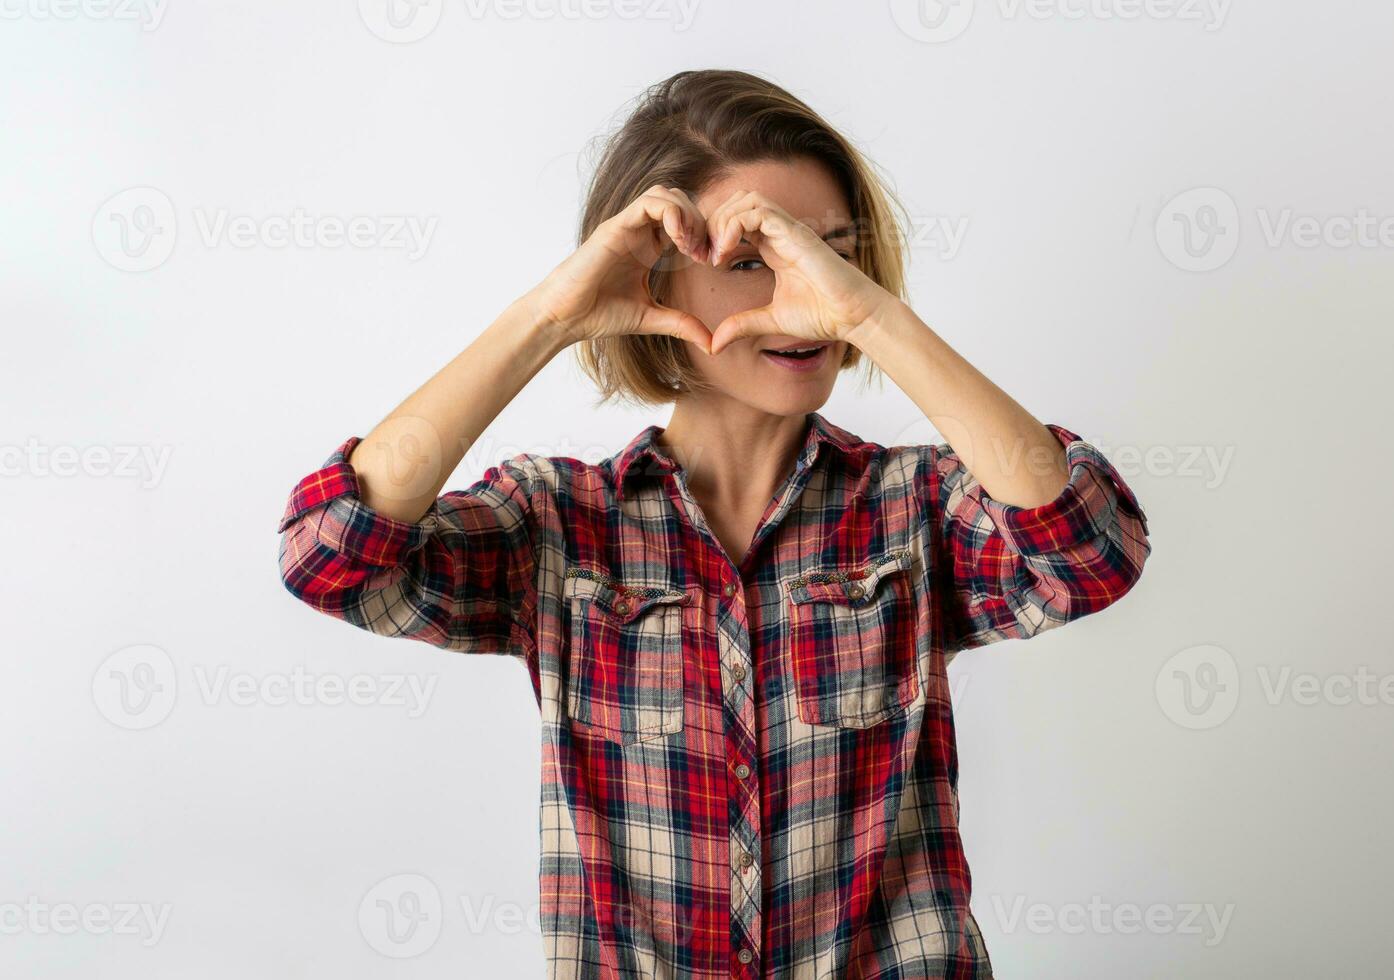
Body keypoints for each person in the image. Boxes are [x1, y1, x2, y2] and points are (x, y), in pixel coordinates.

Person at [277, 68, 1151, 979]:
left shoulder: (918, 509)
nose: (799, 296)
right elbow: (328, 555)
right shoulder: (558, 524)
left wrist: (869, 312)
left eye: (828, 255)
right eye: (747, 262)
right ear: (648, 274)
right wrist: (548, 318)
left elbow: (1092, 550)